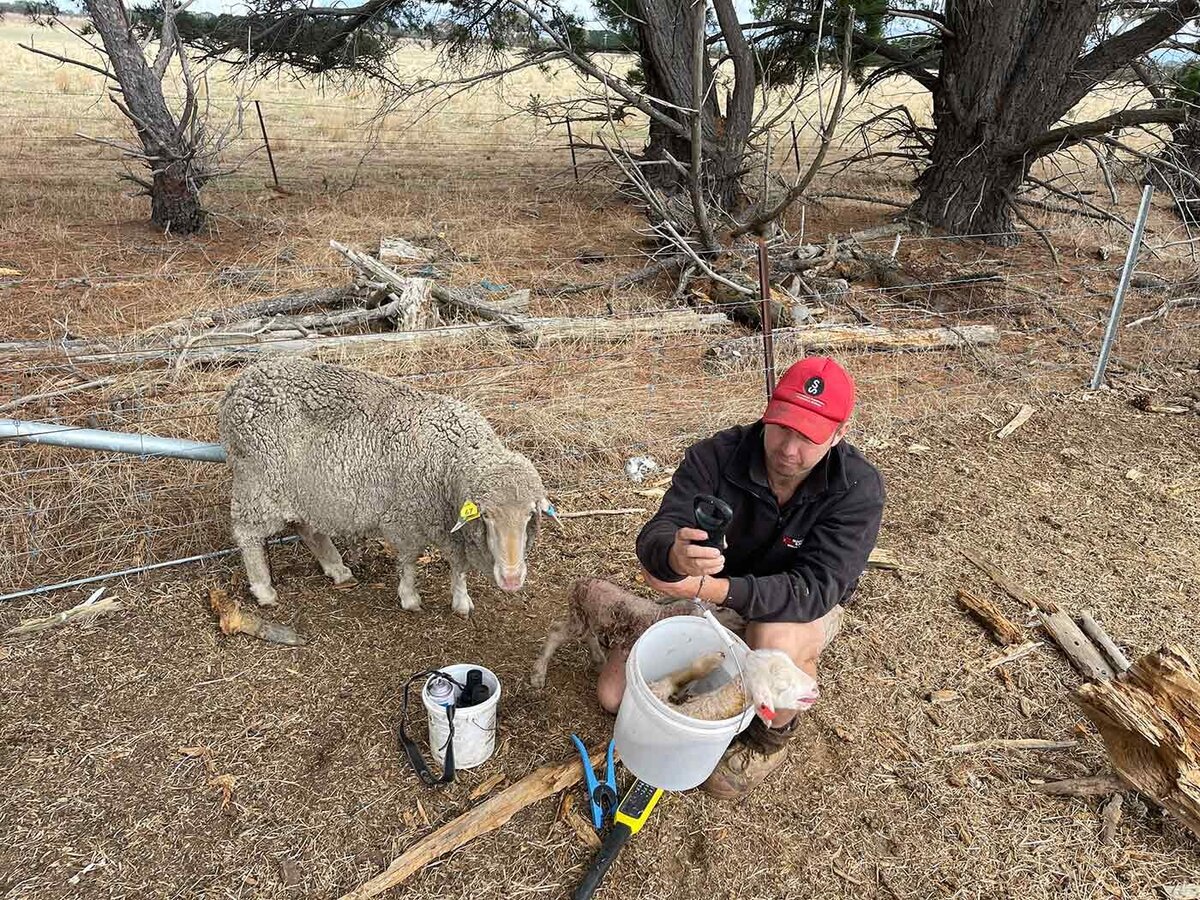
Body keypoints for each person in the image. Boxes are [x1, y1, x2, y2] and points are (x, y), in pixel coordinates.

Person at [599, 356, 885, 800]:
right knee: (613, 698)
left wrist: (717, 589)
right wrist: (674, 553)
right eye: (784, 426)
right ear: (769, 411)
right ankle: (697, 643)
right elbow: (658, 532)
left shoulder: (857, 489)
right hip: (715, 598)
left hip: (794, 610)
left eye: (809, 437)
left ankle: (770, 738)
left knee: (774, 646)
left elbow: (816, 588)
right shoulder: (717, 456)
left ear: (839, 434)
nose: (790, 449)